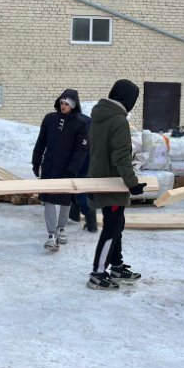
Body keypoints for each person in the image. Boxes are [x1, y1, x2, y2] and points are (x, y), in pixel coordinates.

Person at [86, 79, 146, 290]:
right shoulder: (118, 121)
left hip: (99, 180)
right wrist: (133, 184)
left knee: (116, 224)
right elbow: (121, 157)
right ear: (128, 99)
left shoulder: (99, 118)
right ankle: (98, 273)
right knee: (111, 228)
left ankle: (117, 266)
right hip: (113, 183)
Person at [32, 89, 89, 251]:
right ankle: (51, 235)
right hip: (49, 166)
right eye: (62, 103)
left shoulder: (80, 124)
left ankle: (61, 228)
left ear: (74, 105)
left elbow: (81, 149)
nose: (63, 106)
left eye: (67, 104)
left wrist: (73, 169)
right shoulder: (50, 119)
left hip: (67, 168)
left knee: (65, 201)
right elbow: (41, 141)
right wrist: (36, 162)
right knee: (48, 200)